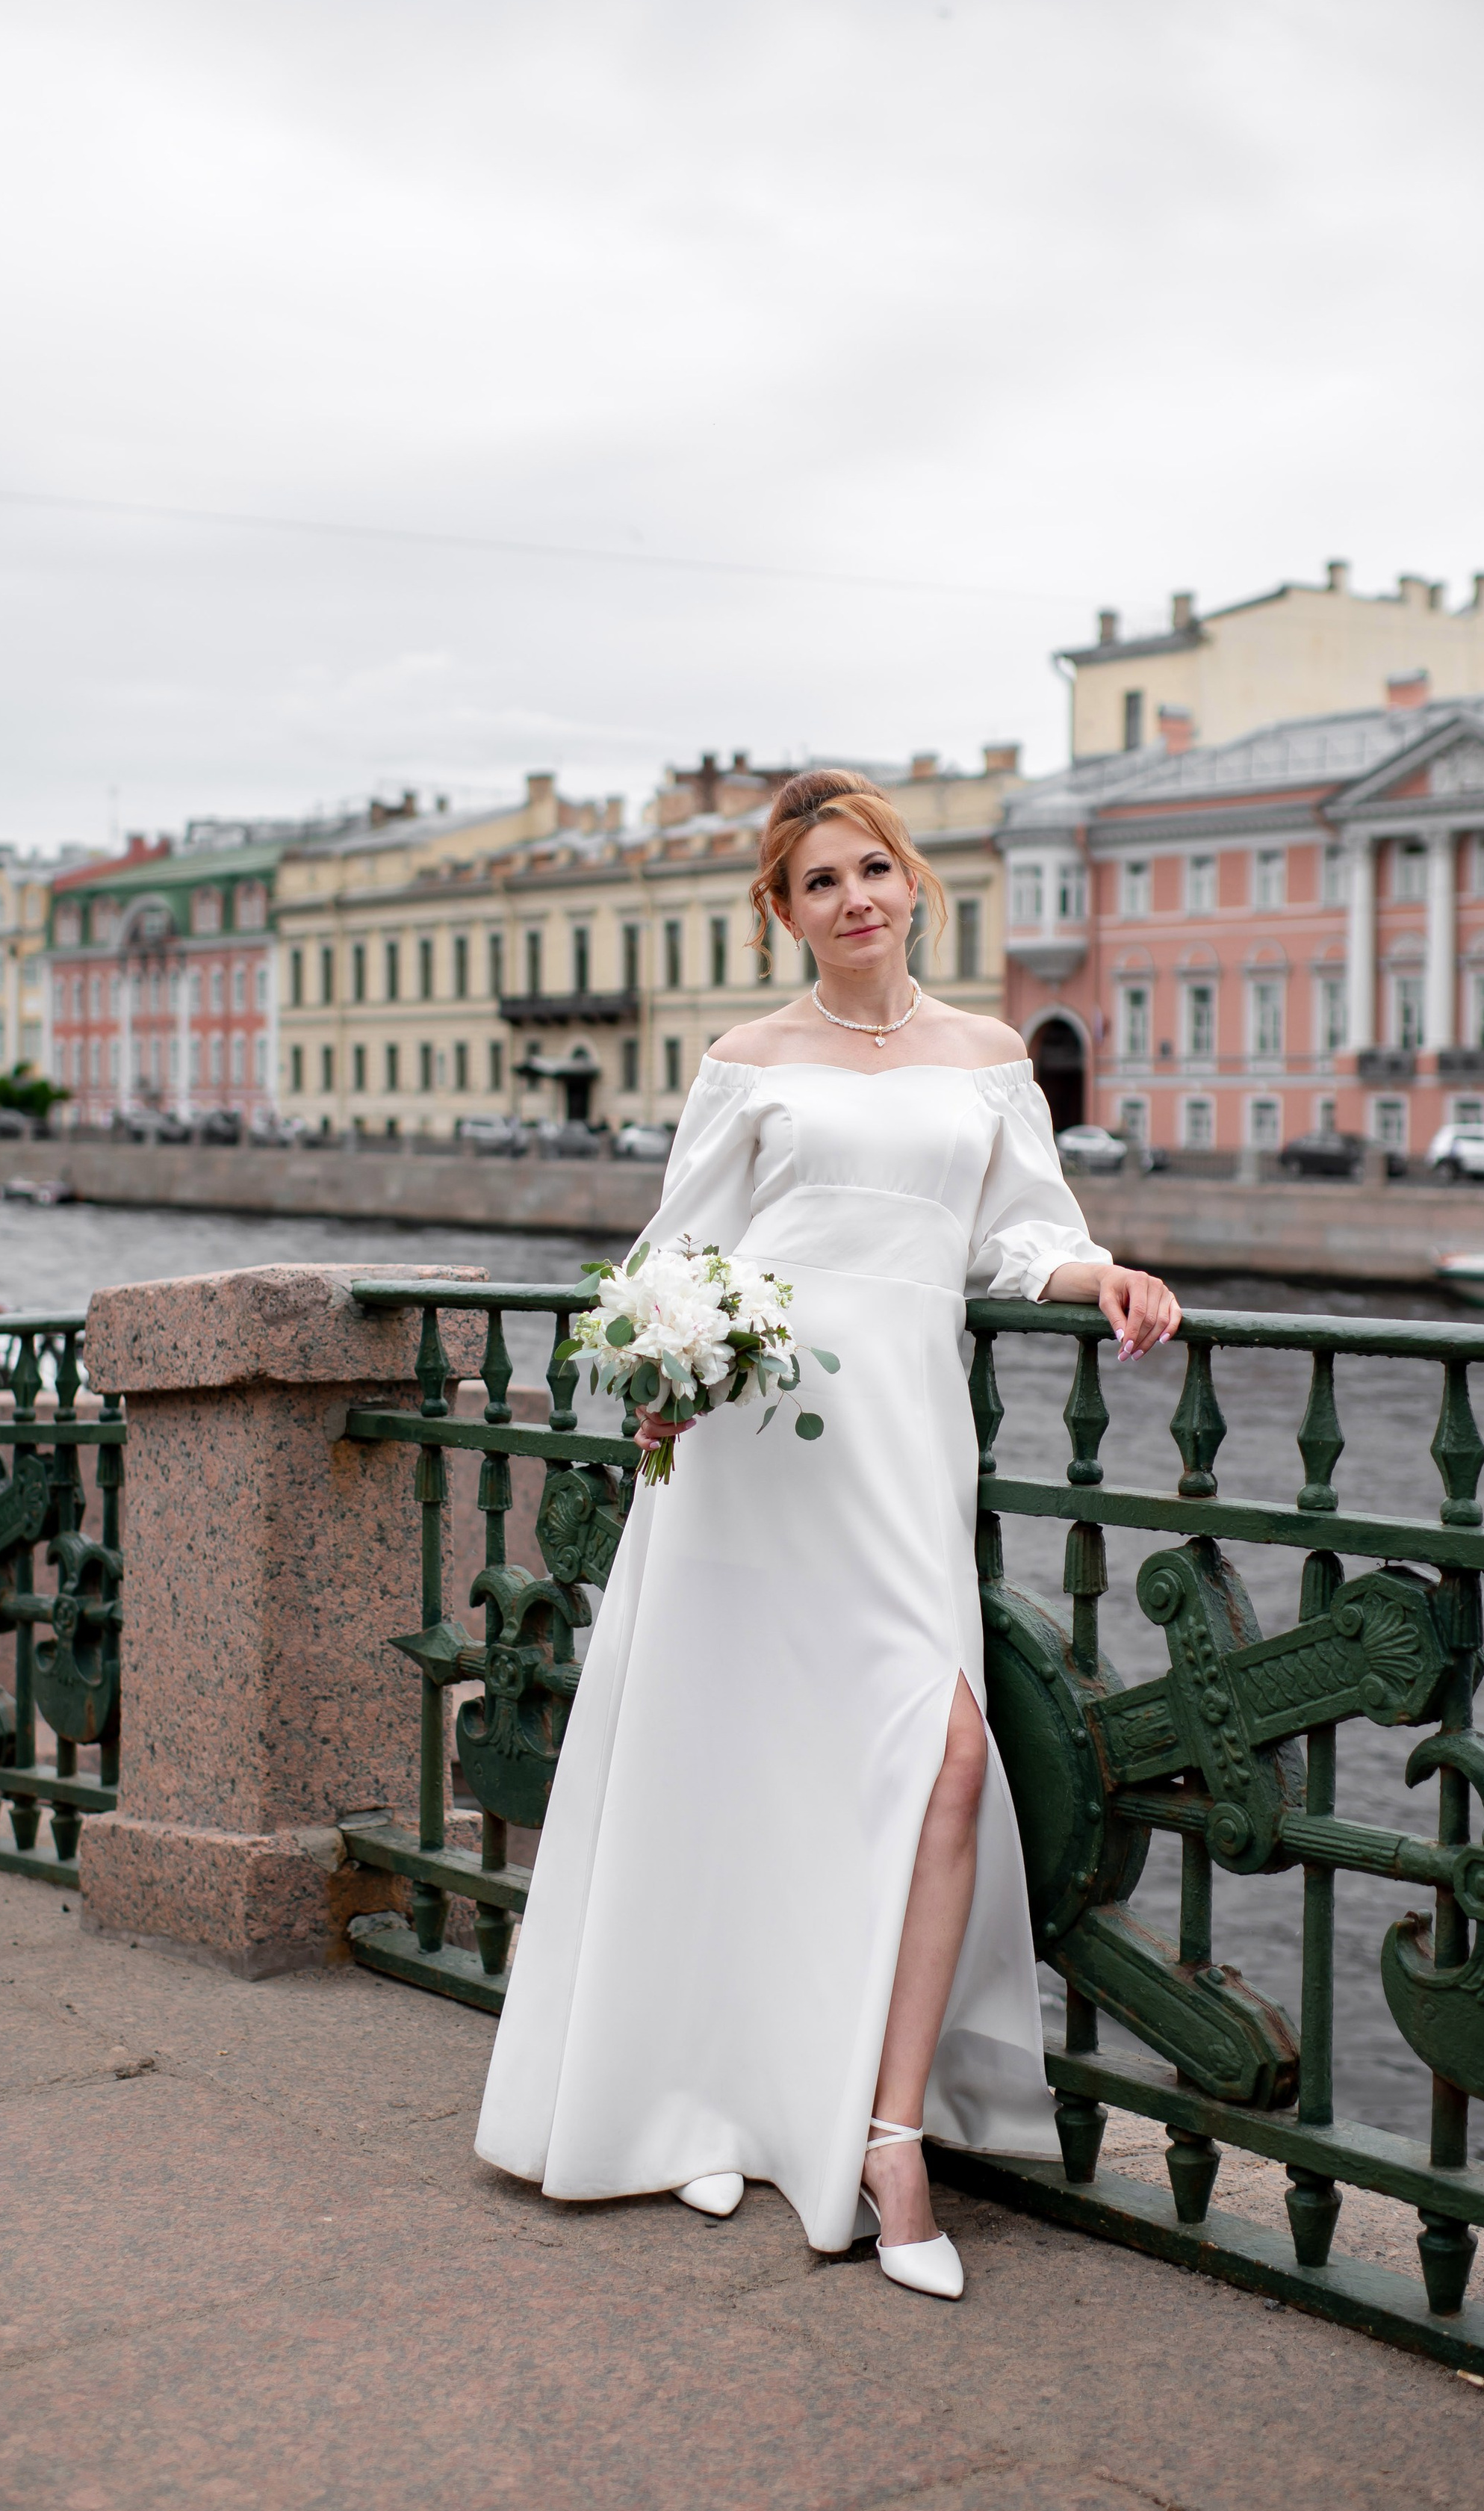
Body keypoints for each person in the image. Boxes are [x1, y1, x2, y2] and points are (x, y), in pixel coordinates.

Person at [474, 770, 1181, 2299]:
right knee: (739, 1764)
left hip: (901, 1455)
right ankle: (718, 2090)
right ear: (780, 912)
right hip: (752, 1451)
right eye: (817, 883)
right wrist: (676, 1352)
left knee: (939, 1763)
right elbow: (668, 1259)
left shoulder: (988, 1058)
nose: (852, 897)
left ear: (910, 883)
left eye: (872, 868)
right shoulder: (748, 1061)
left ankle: (885, 2126)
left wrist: (1099, 1275)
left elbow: (1021, 1232)